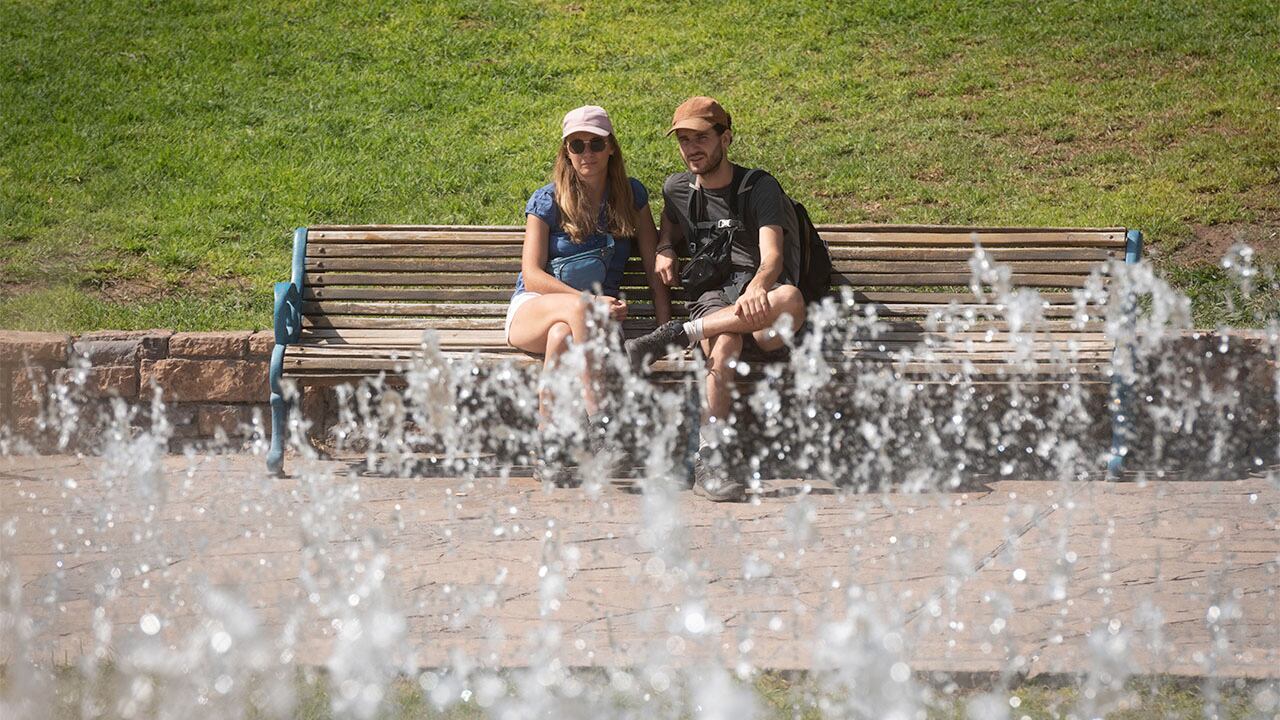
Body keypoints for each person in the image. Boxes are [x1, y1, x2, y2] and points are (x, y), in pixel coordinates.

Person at [624, 96, 807, 502]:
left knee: (790, 297)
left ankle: (680, 333)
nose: (692, 148)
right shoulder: (677, 189)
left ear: (726, 138)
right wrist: (666, 248)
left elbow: (772, 255)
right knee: (724, 346)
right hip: (715, 304)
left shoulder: (759, 186)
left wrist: (760, 285)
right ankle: (711, 456)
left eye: (701, 138)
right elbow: (669, 231)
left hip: (761, 310)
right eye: (684, 140)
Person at [507, 105, 671, 483]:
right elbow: (531, 276)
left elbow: (651, 267)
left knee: (564, 332)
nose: (586, 154)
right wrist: (589, 302)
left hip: (595, 321)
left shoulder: (630, 196)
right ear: (566, 151)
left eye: (595, 144)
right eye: (576, 145)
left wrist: (664, 329)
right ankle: (602, 427)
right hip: (533, 310)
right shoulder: (547, 201)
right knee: (574, 313)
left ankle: (547, 445)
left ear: (611, 147)